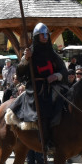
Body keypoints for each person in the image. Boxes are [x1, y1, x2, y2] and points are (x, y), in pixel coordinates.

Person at [11, 23, 68, 153]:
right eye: (42, 34)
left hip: (54, 85)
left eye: (46, 34)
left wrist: (56, 75)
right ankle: (46, 141)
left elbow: (64, 71)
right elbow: (20, 73)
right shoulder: (30, 53)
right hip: (36, 88)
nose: (45, 36)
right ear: (37, 37)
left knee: (69, 100)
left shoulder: (52, 53)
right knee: (43, 110)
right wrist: (26, 59)